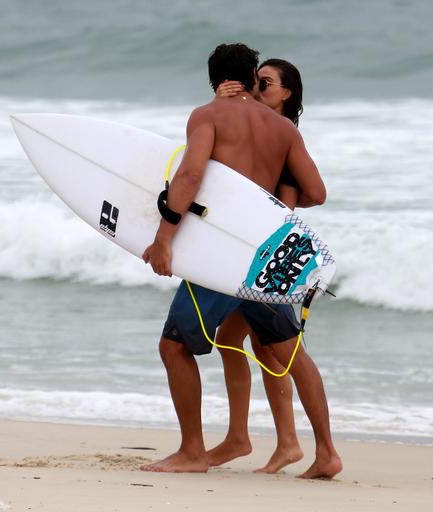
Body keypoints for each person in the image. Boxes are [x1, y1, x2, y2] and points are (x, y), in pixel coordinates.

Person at [140, 43, 341, 479]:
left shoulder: (207, 115)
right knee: (291, 354)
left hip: (225, 258)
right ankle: (326, 453)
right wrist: (276, 201)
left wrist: (164, 237)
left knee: (174, 346)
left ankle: (192, 452)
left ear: (216, 80)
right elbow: (317, 193)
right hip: (263, 259)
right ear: (251, 78)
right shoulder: (284, 130)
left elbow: (190, 175)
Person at [205, 59, 309, 474]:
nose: (256, 87)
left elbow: (298, 198)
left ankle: (264, 441)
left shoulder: (283, 137)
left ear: (285, 93)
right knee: (248, 341)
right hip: (250, 251)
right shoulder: (265, 130)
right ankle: (278, 442)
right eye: (255, 80)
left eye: (265, 83)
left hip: (266, 256)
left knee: (283, 350)